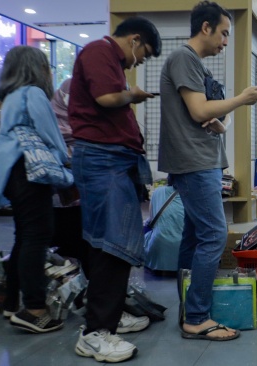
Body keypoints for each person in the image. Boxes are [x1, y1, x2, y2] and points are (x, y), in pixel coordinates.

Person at [158, 1, 257, 341]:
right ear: (205, 27)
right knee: (214, 236)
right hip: (195, 163)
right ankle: (197, 317)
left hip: (198, 160)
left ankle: (190, 309)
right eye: (223, 33)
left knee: (194, 237)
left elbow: (200, 113)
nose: (224, 41)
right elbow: (198, 108)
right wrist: (241, 99)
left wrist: (218, 122)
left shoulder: (192, 64)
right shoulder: (184, 59)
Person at [68, 16, 161, 362]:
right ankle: (95, 332)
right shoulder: (99, 51)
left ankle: (107, 317)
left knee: (109, 241)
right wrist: (131, 95)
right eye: (144, 53)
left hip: (112, 160)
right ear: (135, 39)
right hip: (103, 160)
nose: (139, 61)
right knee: (113, 244)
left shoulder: (106, 57)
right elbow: (107, 98)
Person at [0, 46, 68, 333]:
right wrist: (67, 161)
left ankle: (12, 304)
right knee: (37, 237)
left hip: (12, 173)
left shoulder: (9, 97)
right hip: (31, 172)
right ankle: (34, 310)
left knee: (24, 237)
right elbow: (51, 135)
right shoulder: (33, 93)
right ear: (37, 68)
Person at [143, 183, 184, 272]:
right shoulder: (197, 194)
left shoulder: (157, 191)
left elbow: (151, 220)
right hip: (185, 255)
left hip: (158, 254)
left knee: (147, 228)